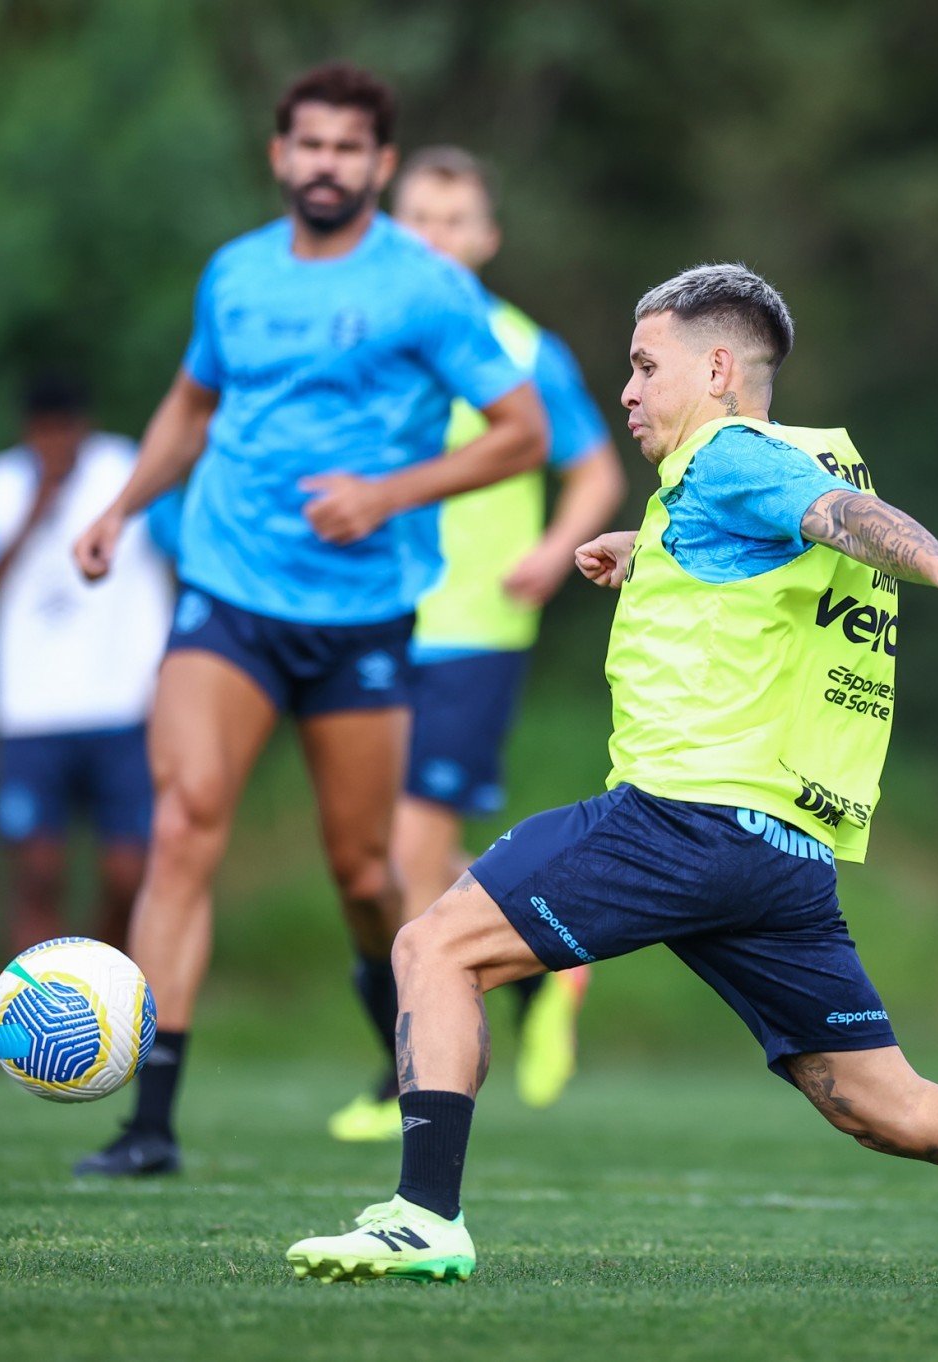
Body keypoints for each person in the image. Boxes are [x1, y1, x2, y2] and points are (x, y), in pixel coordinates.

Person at [284, 265, 938, 1293]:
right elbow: (784, 543)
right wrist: (643, 546)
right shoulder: (740, 477)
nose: (627, 390)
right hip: (780, 859)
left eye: (644, 365)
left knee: (432, 945)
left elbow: (834, 516)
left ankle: (423, 1218)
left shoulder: (730, 459)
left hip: (681, 820)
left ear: (716, 369)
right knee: (885, 1104)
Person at [68, 63, 547, 1176]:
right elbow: (192, 404)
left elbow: (518, 433)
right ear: (279, 155)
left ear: (378, 164)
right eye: (308, 145)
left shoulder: (428, 289)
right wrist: (121, 506)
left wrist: (387, 494)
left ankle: (403, 1027)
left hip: (363, 617)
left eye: (348, 149)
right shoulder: (233, 277)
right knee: (185, 825)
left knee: (363, 872)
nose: (325, 164)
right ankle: (149, 1124)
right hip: (227, 594)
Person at [319, 146, 624, 1141]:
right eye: (421, 217)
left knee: (409, 849)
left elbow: (593, 472)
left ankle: (416, 1074)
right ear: (388, 222)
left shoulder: (523, 347)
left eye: (458, 221)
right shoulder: (364, 331)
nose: (437, 237)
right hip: (370, 614)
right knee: (375, 858)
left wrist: (550, 549)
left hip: (476, 625)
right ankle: (540, 968)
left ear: (488, 238)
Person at [0, 375, 171, 951]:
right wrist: (29, 519)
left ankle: (97, 996)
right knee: (36, 874)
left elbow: (188, 552)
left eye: (64, 430)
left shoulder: (128, 471)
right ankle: (33, 1023)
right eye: (42, 432)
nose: (54, 444)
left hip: (124, 707)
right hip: (30, 714)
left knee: (128, 874)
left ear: (83, 427)